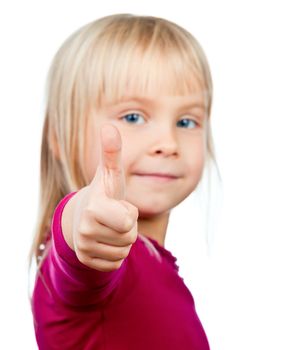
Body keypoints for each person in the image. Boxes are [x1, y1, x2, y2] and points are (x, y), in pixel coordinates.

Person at [29, 13, 219, 350]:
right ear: (58, 138)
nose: (169, 143)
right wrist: (81, 216)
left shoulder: (158, 268)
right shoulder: (97, 264)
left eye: (187, 121)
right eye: (133, 116)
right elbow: (75, 248)